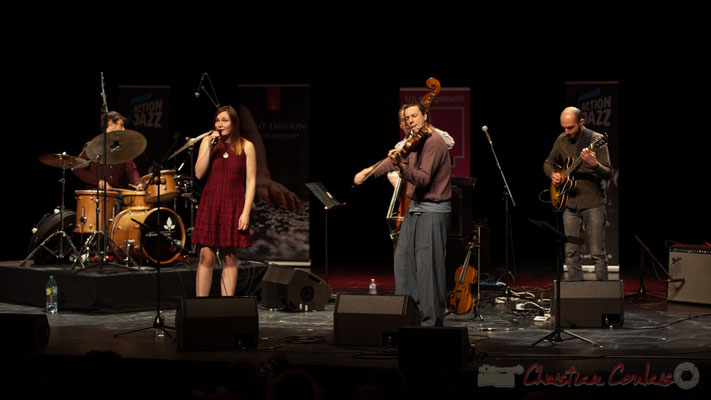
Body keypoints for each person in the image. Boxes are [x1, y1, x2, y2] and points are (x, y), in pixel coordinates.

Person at [354, 102, 452, 326]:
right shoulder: (412, 141)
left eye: (415, 116)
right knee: (404, 261)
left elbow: (423, 178)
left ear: (425, 116)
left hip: (433, 210)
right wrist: (369, 173)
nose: (411, 121)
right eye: (407, 119)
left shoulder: (435, 141)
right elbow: (391, 160)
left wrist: (402, 167)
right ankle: (410, 316)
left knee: (428, 268)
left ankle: (431, 321)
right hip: (416, 208)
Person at [192, 105, 256, 296]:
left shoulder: (246, 146)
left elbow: (251, 181)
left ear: (234, 123)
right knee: (206, 255)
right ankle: (200, 306)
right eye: (217, 120)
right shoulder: (207, 142)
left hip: (233, 203)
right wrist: (210, 145)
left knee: (229, 256)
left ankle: (227, 305)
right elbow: (199, 173)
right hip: (211, 202)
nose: (220, 124)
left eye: (225, 120)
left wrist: (246, 212)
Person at [543, 106, 612, 280]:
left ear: (581, 122)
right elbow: (548, 163)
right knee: (571, 252)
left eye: (570, 127)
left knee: (597, 252)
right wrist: (553, 175)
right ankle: (576, 292)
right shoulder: (562, 139)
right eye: (564, 127)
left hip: (593, 203)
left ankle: (603, 293)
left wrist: (595, 164)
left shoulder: (596, 140)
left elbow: (608, 173)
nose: (566, 131)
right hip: (569, 203)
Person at [72, 111, 142, 190]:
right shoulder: (91, 146)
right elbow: (77, 167)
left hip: (118, 196)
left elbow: (131, 169)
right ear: (110, 123)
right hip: (95, 195)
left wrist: (138, 183)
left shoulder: (123, 148)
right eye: (121, 125)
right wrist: (97, 182)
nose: (124, 129)